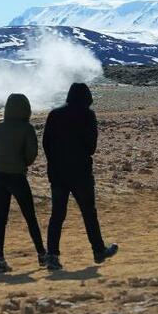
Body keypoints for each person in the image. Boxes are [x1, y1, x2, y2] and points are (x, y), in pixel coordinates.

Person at [42, 82, 118, 270]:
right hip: (81, 173)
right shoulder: (87, 115)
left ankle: (52, 255)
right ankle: (98, 250)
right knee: (89, 213)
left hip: (58, 173)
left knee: (57, 215)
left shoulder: (54, 114)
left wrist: (54, 162)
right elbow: (91, 146)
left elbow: (46, 144)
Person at [0, 93, 46, 274]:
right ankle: (42, 254)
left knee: (1, 219)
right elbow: (31, 154)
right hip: (17, 177)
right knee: (30, 217)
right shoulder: (26, 128)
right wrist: (22, 163)